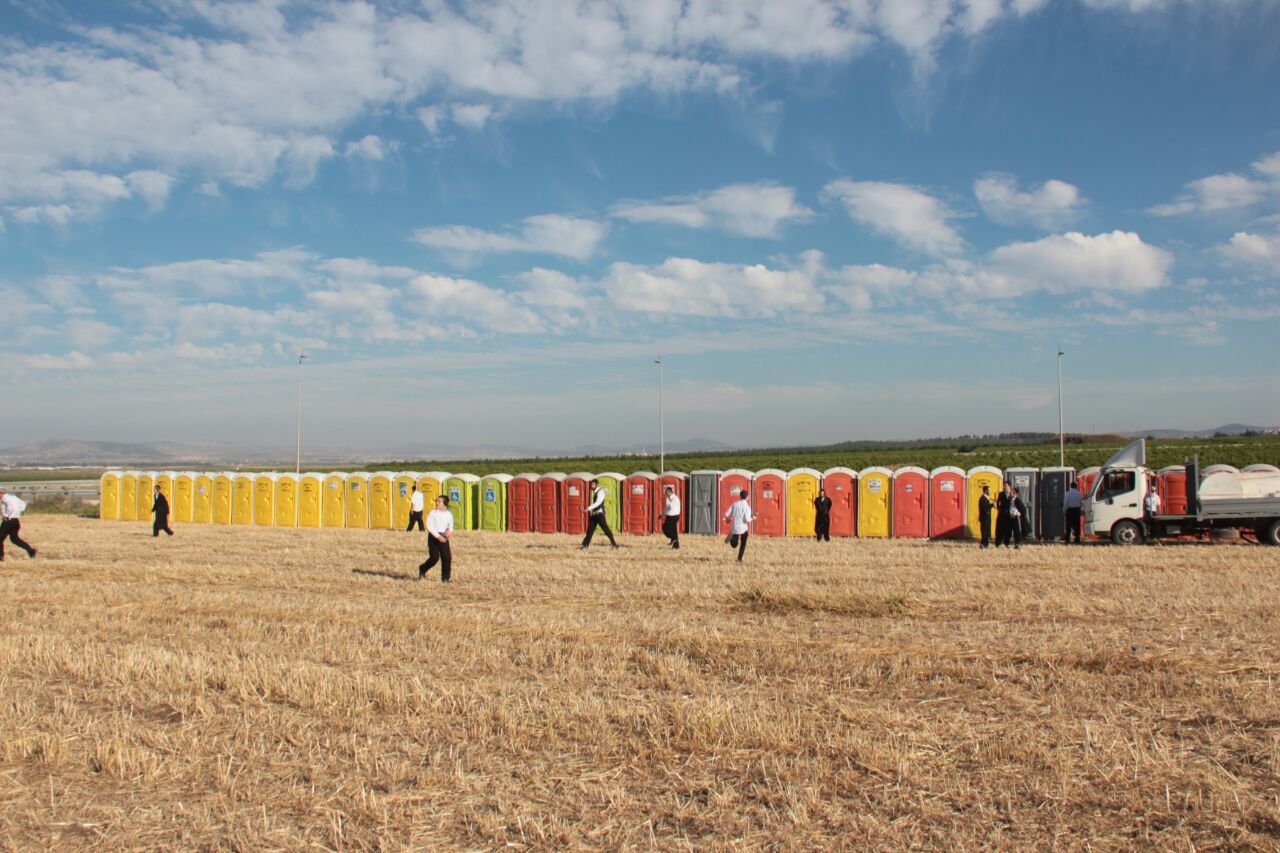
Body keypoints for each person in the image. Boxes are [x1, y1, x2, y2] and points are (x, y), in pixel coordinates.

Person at [418, 495, 454, 582]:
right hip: (434, 537)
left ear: (444, 504)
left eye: (439, 501)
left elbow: (451, 524)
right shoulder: (433, 513)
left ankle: (445, 578)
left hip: (444, 537)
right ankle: (422, 568)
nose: (437, 503)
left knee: (447, 558)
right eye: (437, 501)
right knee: (434, 558)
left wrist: (449, 531)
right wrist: (438, 536)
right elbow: (429, 526)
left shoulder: (449, 514)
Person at [580, 479, 619, 550]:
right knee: (589, 531)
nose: (591, 486)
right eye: (591, 484)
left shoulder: (600, 492)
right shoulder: (596, 492)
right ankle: (585, 546)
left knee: (606, 530)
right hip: (594, 515)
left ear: (597, 485)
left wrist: (588, 508)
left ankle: (614, 544)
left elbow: (598, 502)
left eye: (593, 484)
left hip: (599, 515)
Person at [0, 488, 37, 561]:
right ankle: (31, 551)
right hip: (16, 521)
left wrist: (6, 515)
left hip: (8, 521)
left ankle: (1, 556)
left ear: (1, 493)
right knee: (15, 539)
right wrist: (19, 512)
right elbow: (23, 504)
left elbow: (11, 508)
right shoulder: (13, 497)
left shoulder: (5, 499)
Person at [723, 489, 753, 562]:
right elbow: (747, 519)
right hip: (743, 528)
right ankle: (739, 558)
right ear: (747, 497)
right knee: (743, 543)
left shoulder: (735, 504)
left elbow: (727, 514)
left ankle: (732, 538)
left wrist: (727, 519)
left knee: (734, 545)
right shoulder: (747, 507)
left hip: (735, 527)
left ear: (740, 496)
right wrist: (753, 518)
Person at [658, 485, 681, 549]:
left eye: (666, 493)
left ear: (669, 492)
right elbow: (667, 508)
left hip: (674, 516)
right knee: (673, 530)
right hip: (670, 516)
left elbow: (671, 507)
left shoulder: (674, 499)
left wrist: (667, 501)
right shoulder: (669, 499)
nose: (665, 494)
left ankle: (673, 539)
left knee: (666, 528)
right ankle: (676, 546)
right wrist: (662, 514)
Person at [995, 481, 1014, 547]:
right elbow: (998, 502)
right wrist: (999, 508)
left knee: (1008, 530)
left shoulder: (1012, 494)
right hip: (1002, 515)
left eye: (1005, 486)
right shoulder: (1001, 494)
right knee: (1000, 529)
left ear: (1009, 486)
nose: (1004, 487)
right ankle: (999, 543)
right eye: (1004, 486)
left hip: (1009, 515)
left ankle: (1007, 543)